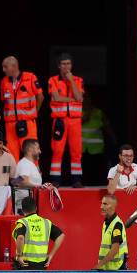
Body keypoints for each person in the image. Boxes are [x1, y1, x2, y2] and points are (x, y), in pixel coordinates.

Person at [48, 53, 84, 187]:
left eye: (68, 63)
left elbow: (79, 97)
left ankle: (76, 180)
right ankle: (55, 180)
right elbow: (56, 98)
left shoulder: (78, 80)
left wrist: (72, 81)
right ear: (59, 66)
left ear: (71, 65)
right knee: (57, 151)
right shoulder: (53, 80)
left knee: (76, 151)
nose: (66, 66)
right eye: (63, 64)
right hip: (59, 121)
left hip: (75, 121)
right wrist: (73, 99)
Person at [0, 56, 44, 160]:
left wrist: (33, 113)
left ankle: (33, 176)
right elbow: (4, 101)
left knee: (32, 153)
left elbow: (41, 97)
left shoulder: (30, 77)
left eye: (5, 67)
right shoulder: (4, 81)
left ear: (14, 66)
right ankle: (14, 176)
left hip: (28, 123)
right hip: (10, 124)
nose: (3, 70)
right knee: (11, 156)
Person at [14, 196, 65, 270]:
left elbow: (20, 238)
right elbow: (61, 236)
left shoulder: (22, 223)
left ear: (22, 210)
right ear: (36, 208)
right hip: (41, 265)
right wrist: (51, 255)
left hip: (25, 263)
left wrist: (19, 255)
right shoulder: (46, 222)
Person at [94, 194, 129, 271]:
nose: (101, 207)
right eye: (102, 203)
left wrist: (98, 266)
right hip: (108, 270)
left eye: (105, 204)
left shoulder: (117, 225)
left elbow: (114, 250)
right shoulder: (106, 222)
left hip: (116, 270)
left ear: (113, 207)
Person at [14, 139, 43, 208]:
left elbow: (16, 182)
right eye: (38, 148)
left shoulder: (27, 164)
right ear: (30, 149)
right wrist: (41, 187)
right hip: (26, 206)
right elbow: (23, 182)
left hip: (28, 204)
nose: (40, 151)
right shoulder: (25, 164)